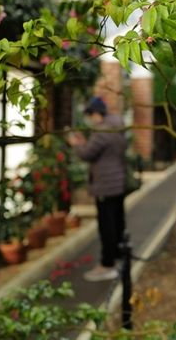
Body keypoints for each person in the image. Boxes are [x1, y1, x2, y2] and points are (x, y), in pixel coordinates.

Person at [67, 96, 128, 281]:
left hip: (105, 185)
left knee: (106, 226)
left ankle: (107, 264)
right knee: (117, 221)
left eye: (89, 115)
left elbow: (87, 154)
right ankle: (118, 256)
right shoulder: (118, 125)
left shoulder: (101, 131)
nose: (89, 119)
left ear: (96, 114)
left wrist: (76, 144)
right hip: (118, 181)